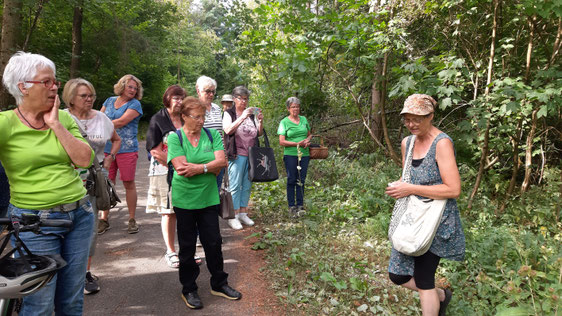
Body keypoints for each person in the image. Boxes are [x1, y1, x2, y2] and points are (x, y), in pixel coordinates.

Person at [0, 51, 94, 315]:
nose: (55, 87)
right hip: (34, 222)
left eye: (55, 82)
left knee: (71, 300)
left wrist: (55, 124)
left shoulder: (62, 118)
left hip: (80, 215)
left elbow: (85, 159)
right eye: (47, 82)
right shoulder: (5, 124)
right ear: (24, 87)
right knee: (38, 304)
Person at [384, 94, 465, 316]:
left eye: (417, 119)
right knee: (397, 275)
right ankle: (441, 296)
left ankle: (432, 299)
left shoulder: (442, 143)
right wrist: (400, 186)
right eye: (407, 119)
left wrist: (410, 189)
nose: (411, 124)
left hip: (437, 221)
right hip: (413, 218)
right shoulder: (407, 143)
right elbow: (408, 179)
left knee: (424, 278)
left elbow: (453, 189)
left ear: (431, 116)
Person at [168, 96, 241, 310]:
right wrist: (211, 166)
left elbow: (222, 162)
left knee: (213, 243)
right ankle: (189, 288)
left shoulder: (212, 134)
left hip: (209, 199)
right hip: (185, 201)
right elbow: (182, 169)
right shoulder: (175, 138)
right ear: (184, 117)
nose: (201, 120)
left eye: (203, 116)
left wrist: (200, 168)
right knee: (188, 246)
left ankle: (219, 283)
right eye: (196, 117)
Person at [62, 78, 121, 295]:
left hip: (93, 179)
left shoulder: (102, 118)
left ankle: (85, 273)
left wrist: (109, 158)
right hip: (65, 179)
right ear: (70, 98)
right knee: (63, 225)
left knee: (89, 227)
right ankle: (65, 272)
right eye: (84, 96)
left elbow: (116, 139)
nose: (89, 99)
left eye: (92, 95)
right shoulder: (61, 118)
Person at [145, 85, 194, 268]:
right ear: (168, 99)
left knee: (185, 211)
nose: (179, 102)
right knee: (169, 212)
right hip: (164, 170)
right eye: (176, 98)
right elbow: (154, 150)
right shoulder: (158, 119)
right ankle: (171, 251)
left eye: (182, 98)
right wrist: (175, 163)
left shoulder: (185, 118)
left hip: (185, 169)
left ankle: (186, 252)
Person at [99, 74, 144, 234]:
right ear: (122, 86)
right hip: (106, 148)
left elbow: (121, 121)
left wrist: (98, 124)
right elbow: (98, 116)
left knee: (128, 183)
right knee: (106, 182)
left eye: (135, 88)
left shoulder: (135, 104)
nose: (132, 90)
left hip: (127, 149)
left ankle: (132, 219)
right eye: (130, 86)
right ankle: (103, 219)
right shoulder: (109, 101)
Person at [222, 86, 263, 230]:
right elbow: (227, 130)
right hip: (236, 154)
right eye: (242, 99)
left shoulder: (251, 115)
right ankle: (233, 216)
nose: (244, 102)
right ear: (235, 99)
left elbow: (258, 133)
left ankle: (243, 212)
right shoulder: (229, 113)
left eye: (246, 99)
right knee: (234, 185)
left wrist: (260, 121)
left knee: (247, 184)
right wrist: (242, 116)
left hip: (252, 154)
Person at [278, 97, 312, 217]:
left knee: (301, 180)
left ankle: (300, 205)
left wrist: (307, 141)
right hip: (291, 154)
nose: (295, 109)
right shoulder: (284, 122)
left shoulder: (304, 119)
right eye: (293, 107)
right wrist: (298, 143)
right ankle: (292, 206)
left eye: (297, 106)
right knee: (292, 179)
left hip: (304, 154)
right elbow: (282, 142)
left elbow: (309, 135)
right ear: (288, 109)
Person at [196, 76, 225, 187]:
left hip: (218, 156)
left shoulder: (217, 108)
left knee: (216, 192)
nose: (211, 94)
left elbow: (220, 134)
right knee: (203, 190)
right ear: (198, 91)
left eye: (213, 91)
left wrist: (224, 157)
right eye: (207, 91)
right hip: (202, 155)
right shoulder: (194, 108)